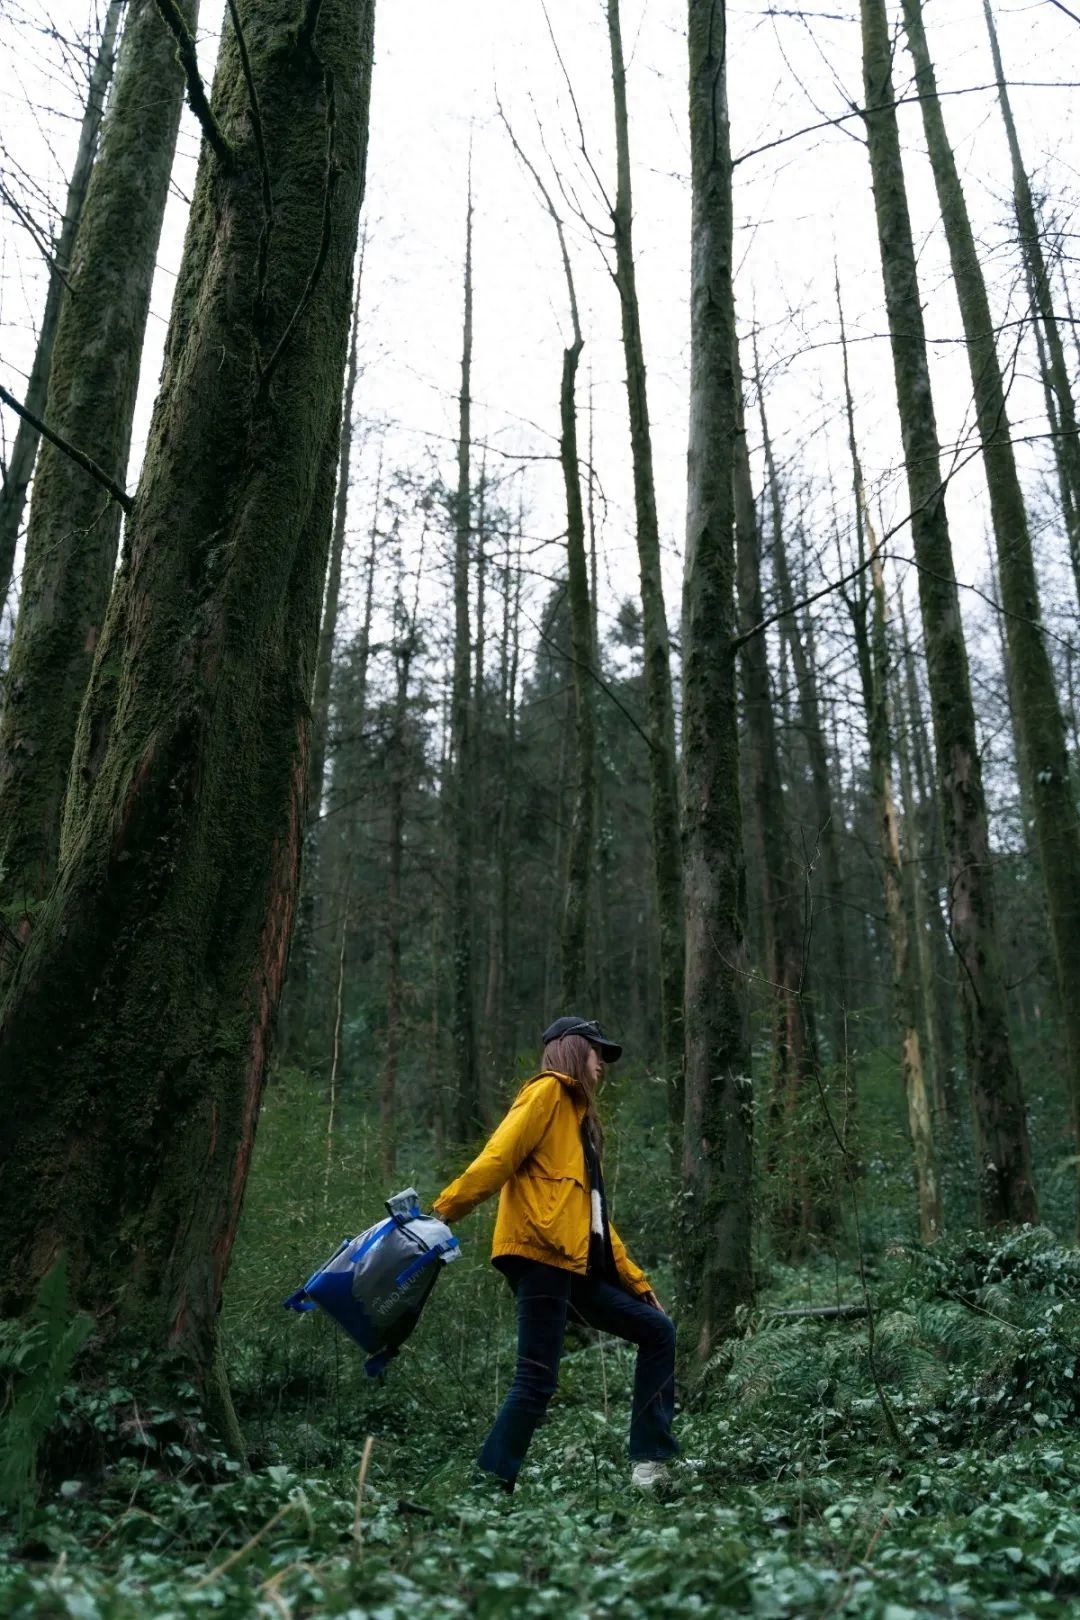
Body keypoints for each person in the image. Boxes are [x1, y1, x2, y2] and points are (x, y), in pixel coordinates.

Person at [432, 1015, 680, 1493]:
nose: (602, 1064)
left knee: (656, 1330)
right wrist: (444, 1211)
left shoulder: (580, 1122)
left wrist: (638, 1284)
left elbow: (596, 1219)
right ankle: (489, 1482)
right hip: (540, 1255)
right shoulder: (546, 1093)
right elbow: (499, 1156)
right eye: (596, 1052)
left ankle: (651, 1462)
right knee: (536, 1379)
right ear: (572, 1050)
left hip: (574, 1264)